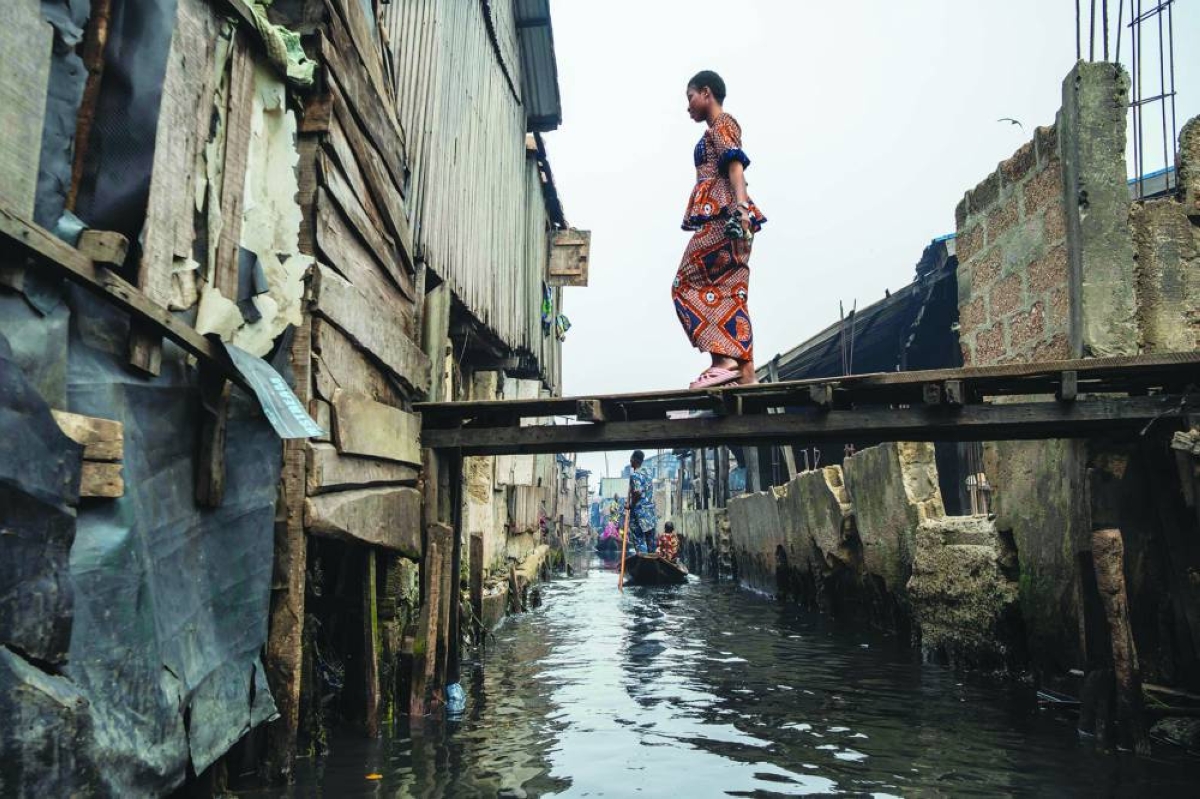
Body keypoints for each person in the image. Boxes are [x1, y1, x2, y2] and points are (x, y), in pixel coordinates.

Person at [672, 70, 766, 389]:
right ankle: (746, 373)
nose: (688, 106)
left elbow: (735, 166)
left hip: (723, 218)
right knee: (731, 289)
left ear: (707, 93)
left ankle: (724, 363)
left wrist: (739, 209)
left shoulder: (724, 124)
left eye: (690, 97)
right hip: (732, 218)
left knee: (684, 284)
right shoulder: (718, 128)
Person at [627, 450, 657, 554]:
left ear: (633, 460)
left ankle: (643, 558)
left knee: (639, 540)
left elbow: (638, 492)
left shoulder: (635, 475)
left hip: (639, 514)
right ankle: (652, 559)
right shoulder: (648, 473)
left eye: (631, 458)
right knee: (651, 541)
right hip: (650, 513)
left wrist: (630, 505)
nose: (630, 460)